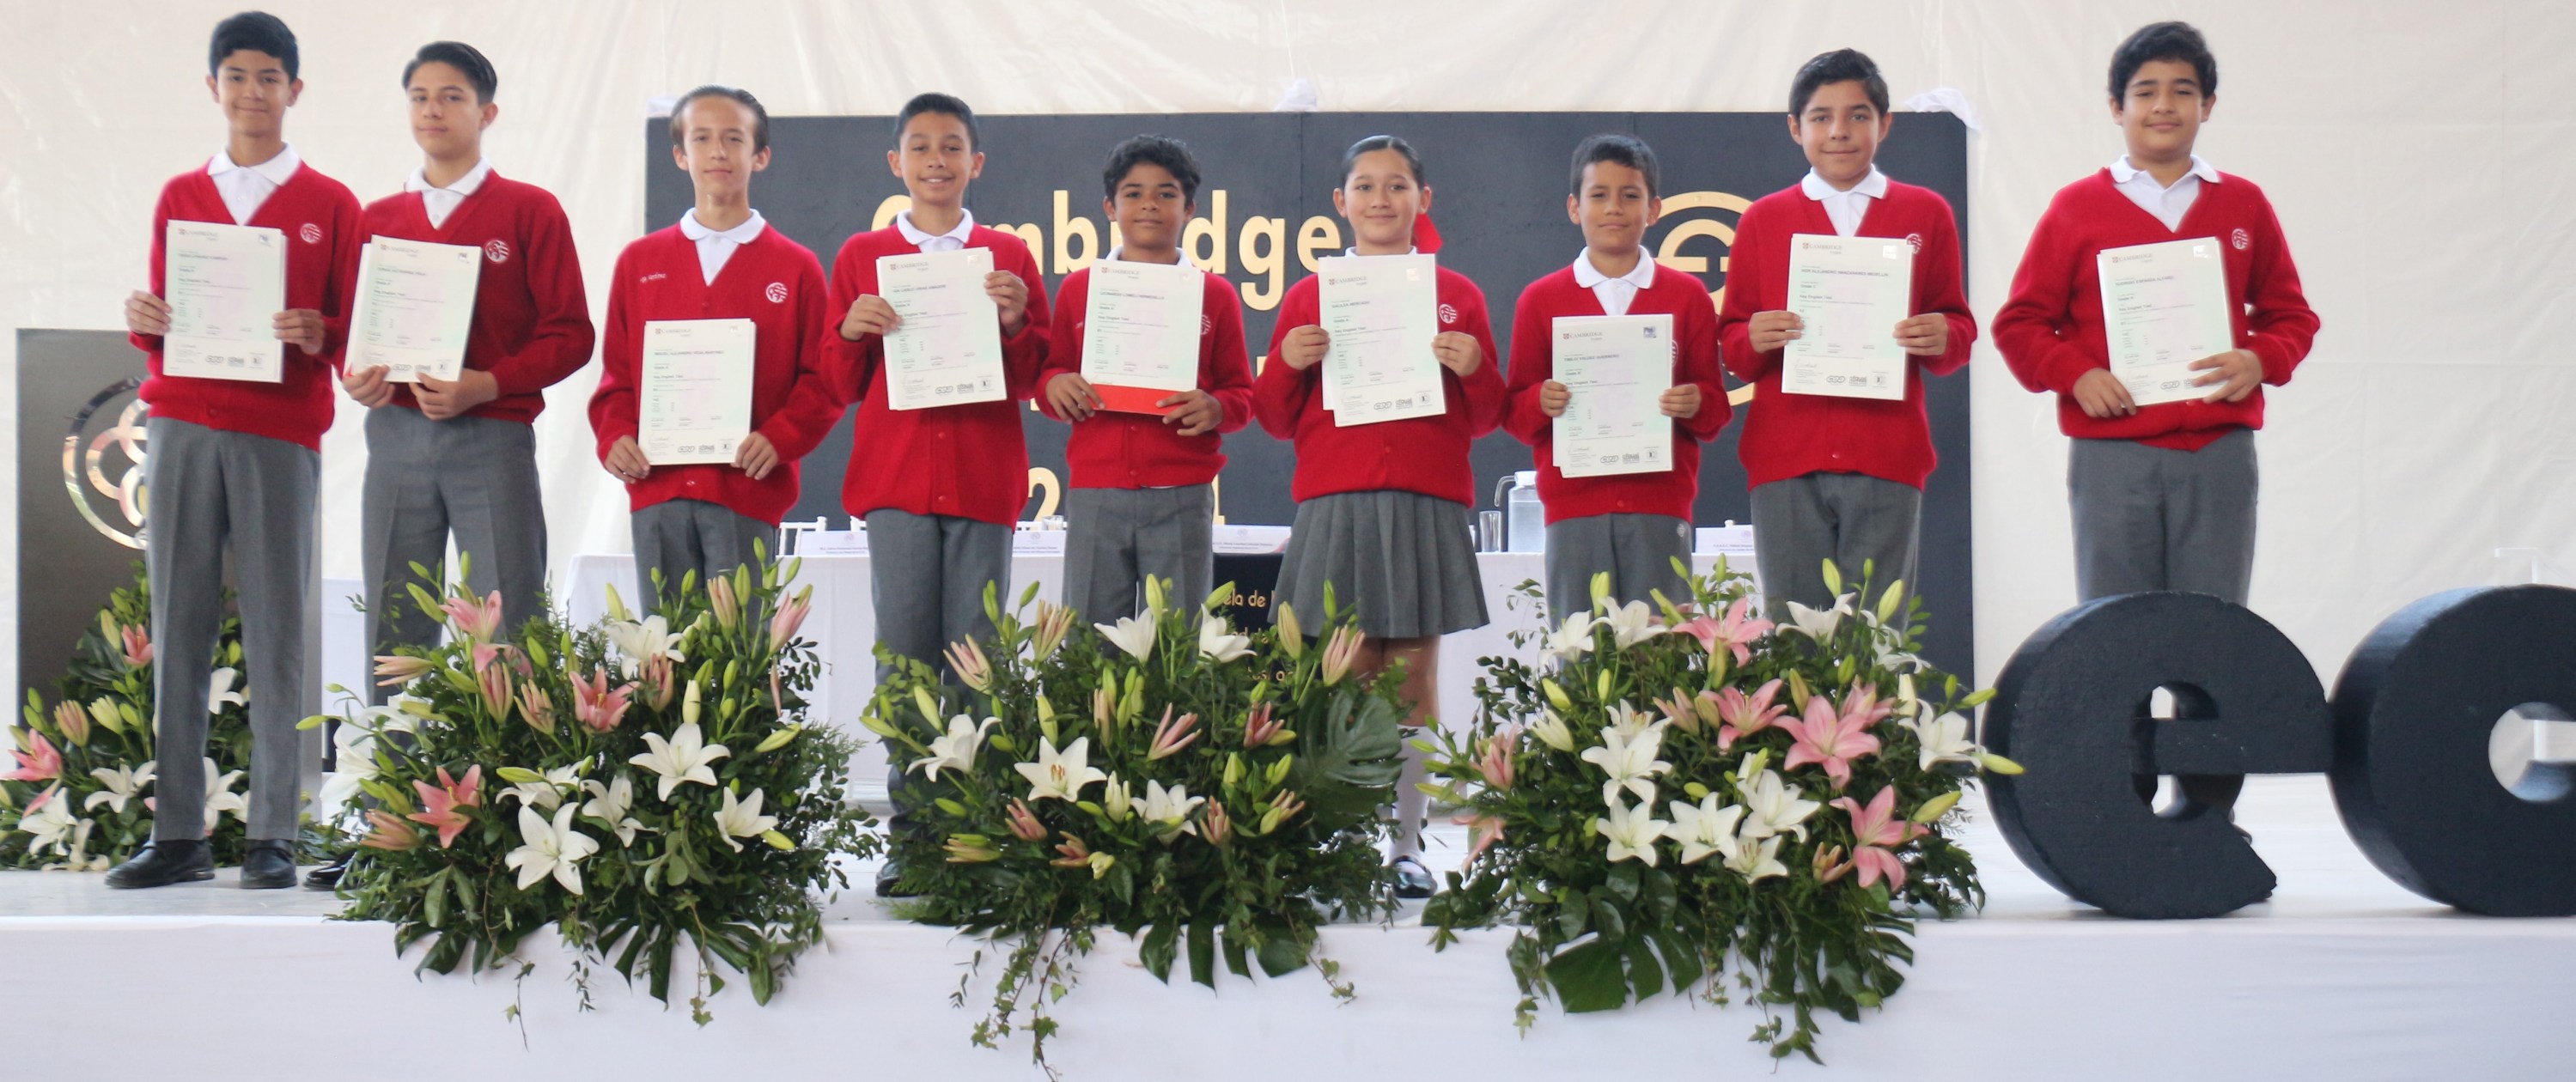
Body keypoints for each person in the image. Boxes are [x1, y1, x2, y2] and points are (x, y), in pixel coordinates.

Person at [1994, 21, 2319, 822]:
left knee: (2214, 634)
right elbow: (2021, 323)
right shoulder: (2076, 208)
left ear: (2208, 104)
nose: (2163, 106)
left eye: (2182, 91)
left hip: (2218, 453)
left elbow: (2291, 315)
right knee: (2114, 636)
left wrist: (2260, 358)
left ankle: (2207, 816)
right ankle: (2121, 810)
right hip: (2113, 459)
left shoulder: (2242, 204)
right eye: (2145, 92)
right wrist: (2076, 373)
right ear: (2116, 107)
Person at [308, 41, 597, 890]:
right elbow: (351, 332)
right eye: (420, 96)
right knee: (395, 627)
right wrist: (355, 375)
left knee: (511, 622)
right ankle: (393, 823)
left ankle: (520, 819)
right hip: (396, 439)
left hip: (490, 437)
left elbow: (571, 333)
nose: (434, 110)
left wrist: (488, 383)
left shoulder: (529, 211)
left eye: (453, 96)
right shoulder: (377, 219)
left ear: (487, 112)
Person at [109, 10, 362, 890]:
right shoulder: (182, 195)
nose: (252, 92)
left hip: (278, 431)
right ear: (212, 87)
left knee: (277, 628)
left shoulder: (331, 204)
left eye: (269, 78)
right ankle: (178, 834)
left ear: (295, 90)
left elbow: (354, 329)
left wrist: (322, 332)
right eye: (237, 76)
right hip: (183, 422)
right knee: (177, 623)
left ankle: (273, 835)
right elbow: (162, 321)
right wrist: (144, 319)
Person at [1253, 135, 1503, 897]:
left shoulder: (1456, 293)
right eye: (1365, 186)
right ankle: (1341, 842)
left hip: (1425, 497)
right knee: (1344, 674)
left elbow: (1489, 414)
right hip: (1337, 498)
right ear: (1341, 202)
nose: (1380, 199)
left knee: (1411, 677)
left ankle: (1405, 847)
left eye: (1397, 186)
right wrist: (1288, 362)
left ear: (1422, 200)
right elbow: (1271, 417)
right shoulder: (1309, 297)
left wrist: (1473, 368)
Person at [823, 93, 1050, 896]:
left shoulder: (1006, 255)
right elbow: (837, 382)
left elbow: (1037, 377)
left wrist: (1017, 322)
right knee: (905, 660)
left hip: (984, 480)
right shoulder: (863, 256)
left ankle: (973, 826)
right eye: (919, 147)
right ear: (896, 163)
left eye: (951, 146)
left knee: (976, 660)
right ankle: (914, 836)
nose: (936, 161)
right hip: (898, 483)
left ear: (975, 162)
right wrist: (850, 330)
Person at [1720, 48, 1977, 620]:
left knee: (1876, 640)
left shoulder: (1925, 213)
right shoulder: (1763, 219)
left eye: (1858, 115)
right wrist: (1753, 337)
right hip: (1786, 457)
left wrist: (1943, 334)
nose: (1839, 131)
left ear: (1885, 124)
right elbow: (1733, 346)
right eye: (1821, 117)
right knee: (1794, 641)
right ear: (1795, 128)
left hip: (1886, 453)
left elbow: (1958, 328)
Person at [589, 85, 840, 608]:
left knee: (739, 647)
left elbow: (823, 381)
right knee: (663, 647)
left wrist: (780, 437)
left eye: (734, 138)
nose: (718, 151)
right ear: (680, 155)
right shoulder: (639, 262)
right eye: (701, 138)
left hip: (746, 492)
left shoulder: (795, 267)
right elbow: (617, 379)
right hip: (657, 490)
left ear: (760, 155)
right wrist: (615, 436)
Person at [1503, 133, 1732, 623]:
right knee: (1580, 655)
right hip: (1574, 511)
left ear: (1654, 209)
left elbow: (1715, 411)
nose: (1613, 208)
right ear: (1574, 207)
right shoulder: (1540, 300)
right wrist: (1540, 401)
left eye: (1630, 195)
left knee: (1660, 652)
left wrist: (1695, 402)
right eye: (1598, 195)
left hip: (1659, 505)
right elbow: (1516, 415)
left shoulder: (1687, 296)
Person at [1038, 134, 1254, 622]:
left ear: (1190, 208)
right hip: (1097, 490)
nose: (1149, 204)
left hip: (1181, 492)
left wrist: (1216, 408)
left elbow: (1241, 394)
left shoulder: (1215, 294)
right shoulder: (1079, 289)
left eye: (1166, 193)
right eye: (1133, 193)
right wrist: (1054, 386)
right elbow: (1050, 375)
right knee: (1090, 641)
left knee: (1178, 639)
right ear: (1109, 208)